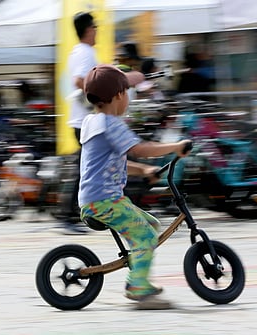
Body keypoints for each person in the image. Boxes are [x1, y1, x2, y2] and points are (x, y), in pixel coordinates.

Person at [78, 64, 192, 309]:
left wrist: (144, 170)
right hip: (105, 201)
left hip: (94, 200)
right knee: (146, 236)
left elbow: (111, 163)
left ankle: (139, 269)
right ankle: (137, 286)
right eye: (127, 92)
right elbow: (139, 149)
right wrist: (175, 147)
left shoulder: (92, 122)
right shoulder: (112, 124)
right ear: (119, 95)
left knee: (151, 224)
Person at [65, 12, 99, 233]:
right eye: (95, 27)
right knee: (87, 170)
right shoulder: (86, 52)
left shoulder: (79, 51)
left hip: (80, 120)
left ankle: (75, 214)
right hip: (84, 121)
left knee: (87, 168)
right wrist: (99, 95)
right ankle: (68, 215)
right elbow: (78, 80)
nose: (97, 31)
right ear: (88, 29)